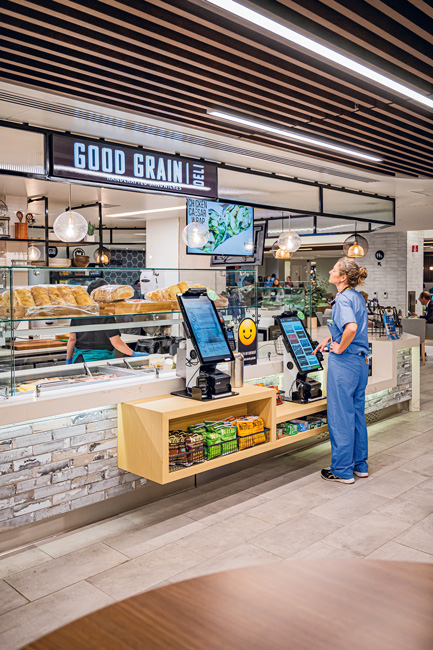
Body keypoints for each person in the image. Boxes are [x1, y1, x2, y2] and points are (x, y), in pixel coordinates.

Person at [313, 257, 369, 484]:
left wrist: (339, 347)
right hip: (359, 363)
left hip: (344, 364)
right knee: (356, 414)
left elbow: (352, 328)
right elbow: (352, 326)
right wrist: (333, 338)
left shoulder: (344, 298)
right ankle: (359, 465)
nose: (329, 272)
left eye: (334, 270)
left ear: (343, 277)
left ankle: (342, 470)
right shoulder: (356, 297)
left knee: (340, 416)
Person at [66, 279, 148, 364]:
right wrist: (132, 353)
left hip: (79, 360)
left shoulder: (79, 312)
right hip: (100, 361)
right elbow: (116, 342)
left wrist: (68, 360)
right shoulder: (105, 314)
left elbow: (72, 339)